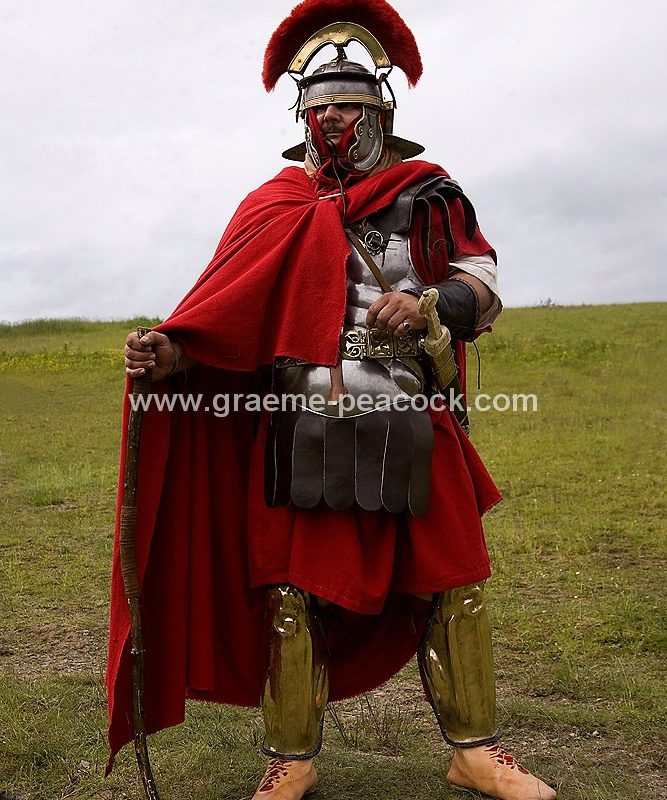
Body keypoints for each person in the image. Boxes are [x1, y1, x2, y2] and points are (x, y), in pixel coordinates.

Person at [107, 2, 556, 799]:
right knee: (291, 592)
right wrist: (169, 352)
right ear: (301, 119)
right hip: (299, 422)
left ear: (380, 112)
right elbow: (227, 315)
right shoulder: (271, 207)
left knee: (452, 581)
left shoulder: (428, 195)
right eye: (318, 108)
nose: (332, 120)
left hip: (410, 412)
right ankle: (292, 759)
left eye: (347, 105)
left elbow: (481, 286)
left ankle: (475, 752)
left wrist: (427, 307)